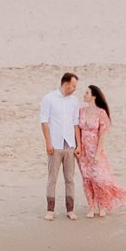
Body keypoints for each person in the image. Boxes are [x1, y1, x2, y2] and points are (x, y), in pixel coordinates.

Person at [74, 84, 126, 217]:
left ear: (94, 96)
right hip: (83, 151)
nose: (84, 95)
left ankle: (102, 206)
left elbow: (102, 134)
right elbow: (77, 130)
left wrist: (98, 153)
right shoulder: (81, 111)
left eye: (87, 93)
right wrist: (78, 146)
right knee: (87, 179)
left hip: (95, 150)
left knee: (98, 180)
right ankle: (91, 207)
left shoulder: (101, 113)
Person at [38, 71, 82, 221]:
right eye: (73, 85)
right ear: (66, 84)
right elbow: (44, 122)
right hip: (55, 144)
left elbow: (76, 124)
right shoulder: (49, 98)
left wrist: (78, 145)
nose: (75, 88)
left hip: (70, 144)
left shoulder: (74, 101)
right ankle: (50, 210)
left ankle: (70, 210)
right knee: (52, 179)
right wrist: (48, 143)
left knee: (69, 179)